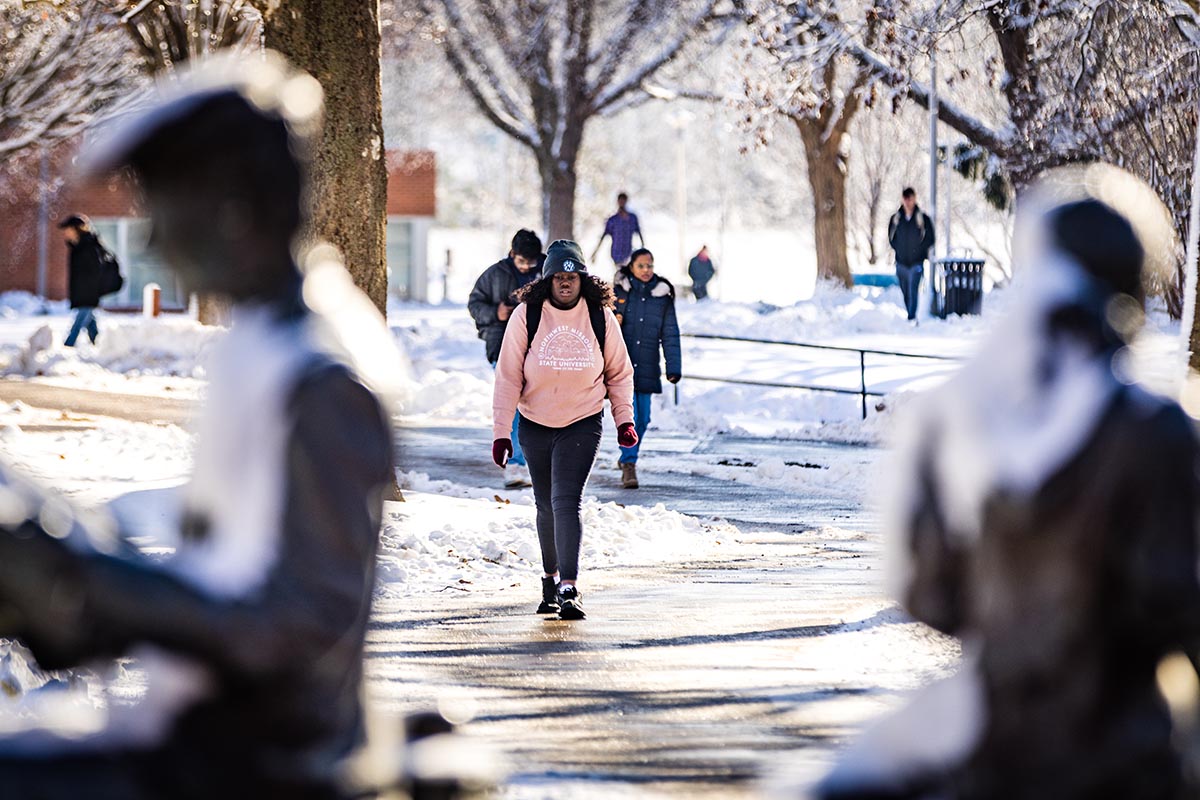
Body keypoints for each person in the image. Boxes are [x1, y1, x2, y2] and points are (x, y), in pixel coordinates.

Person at [0, 55, 401, 799]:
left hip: (266, 762)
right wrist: (63, 581)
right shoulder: (265, 344)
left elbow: (294, 626)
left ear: (231, 209)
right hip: (213, 730)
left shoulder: (319, 377)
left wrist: (84, 578)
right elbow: (225, 573)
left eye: (163, 206)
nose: (151, 242)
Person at [816, 167, 1199, 800]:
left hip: (998, 757)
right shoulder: (1153, 432)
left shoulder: (967, 419)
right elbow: (1176, 601)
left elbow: (930, 597)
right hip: (1127, 762)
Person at [492, 240, 636, 620]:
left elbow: (620, 373)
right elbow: (507, 376)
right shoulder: (528, 315)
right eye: (559, 277)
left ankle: (569, 587)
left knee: (565, 501)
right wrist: (501, 430)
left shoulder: (600, 317)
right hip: (535, 422)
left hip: (582, 420)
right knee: (544, 504)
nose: (566, 284)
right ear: (548, 280)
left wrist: (624, 420)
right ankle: (549, 580)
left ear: (582, 279)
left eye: (572, 277)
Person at [468, 229, 545, 489]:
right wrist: (496, 313)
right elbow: (474, 305)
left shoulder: (546, 270)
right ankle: (516, 463)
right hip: (501, 347)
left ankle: (533, 462)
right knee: (512, 405)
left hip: (538, 348)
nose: (527, 266)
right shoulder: (494, 274)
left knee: (536, 405)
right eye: (523, 261)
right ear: (512, 254)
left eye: (531, 262)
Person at [613, 248, 681, 489]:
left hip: (648, 365)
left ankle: (626, 456)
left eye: (649, 265)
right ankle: (629, 464)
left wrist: (673, 367)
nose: (645, 270)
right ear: (631, 267)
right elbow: (601, 327)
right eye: (641, 266)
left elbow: (670, 333)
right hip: (621, 367)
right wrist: (614, 318)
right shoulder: (618, 291)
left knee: (644, 418)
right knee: (628, 418)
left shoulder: (661, 295)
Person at [887, 187, 935, 323]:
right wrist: (899, 250)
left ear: (914, 199)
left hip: (917, 262)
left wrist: (920, 251)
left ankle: (911, 317)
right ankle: (910, 313)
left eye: (910, 198)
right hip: (901, 262)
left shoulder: (922, 219)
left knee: (913, 290)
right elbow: (891, 238)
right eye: (905, 198)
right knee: (905, 292)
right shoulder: (896, 219)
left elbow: (930, 239)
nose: (908, 201)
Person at [59, 214, 106, 347]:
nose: (65, 233)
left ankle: (68, 345)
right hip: (82, 291)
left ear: (76, 229)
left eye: (68, 229)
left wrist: (90, 291)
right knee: (89, 321)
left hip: (88, 292)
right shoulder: (78, 247)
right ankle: (98, 345)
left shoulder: (88, 246)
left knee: (79, 321)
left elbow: (95, 271)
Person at [591, 191, 643, 269]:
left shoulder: (632, 218)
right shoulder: (613, 220)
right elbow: (603, 236)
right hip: (616, 253)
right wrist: (595, 252)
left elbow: (639, 232)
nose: (622, 202)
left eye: (623, 200)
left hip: (628, 252)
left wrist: (642, 248)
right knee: (620, 274)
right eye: (620, 200)